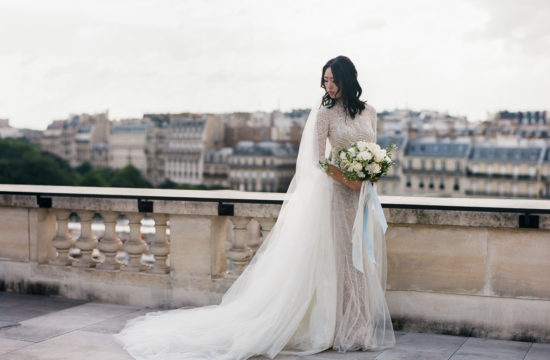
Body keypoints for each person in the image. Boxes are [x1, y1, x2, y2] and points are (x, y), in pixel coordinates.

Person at [115, 55, 395, 360]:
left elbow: (375, 152)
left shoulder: (371, 112)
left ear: (347, 79)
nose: (328, 86)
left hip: (361, 198)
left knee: (359, 263)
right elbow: (317, 160)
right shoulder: (324, 113)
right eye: (325, 80)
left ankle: (357, 325)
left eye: (333, 80)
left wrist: (368, 175)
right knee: (341, 259)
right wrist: (347, 178)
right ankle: (340, 327)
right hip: (337, 197)